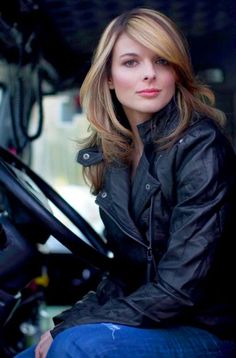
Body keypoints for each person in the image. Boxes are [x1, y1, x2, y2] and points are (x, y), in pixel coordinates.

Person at [15, 7, 236, 358]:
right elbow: (125, 273)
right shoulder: (113, 155)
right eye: (131, 62)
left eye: (162, 61)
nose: (149, 74)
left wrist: (72, 329)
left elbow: (180, 289)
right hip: (156, 319)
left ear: (176, 72)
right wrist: (66, 321)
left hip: (208, 326)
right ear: (108, 77)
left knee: (76, 346)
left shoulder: (200, 146)